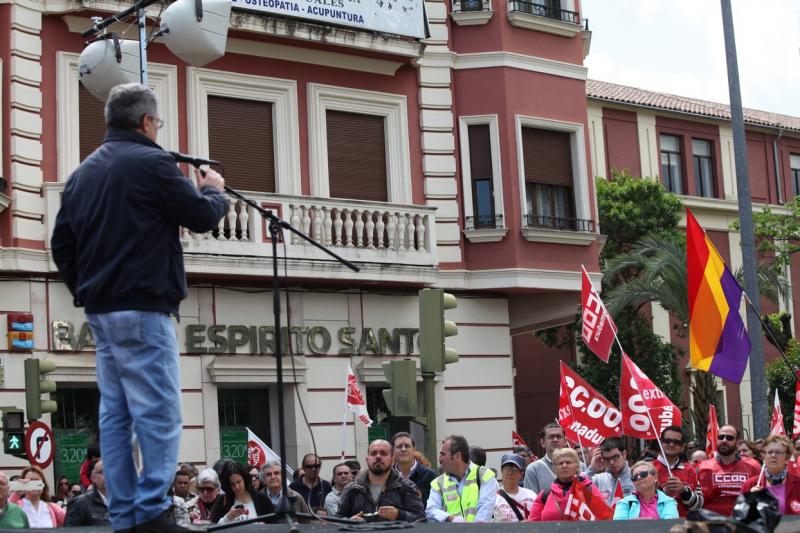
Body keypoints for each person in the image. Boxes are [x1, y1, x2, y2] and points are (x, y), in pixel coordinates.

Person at [51, 82, 227, 533]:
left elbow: (61, 245)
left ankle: (127, 514)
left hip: (102, 311)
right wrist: (214, 191)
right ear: (147, 122)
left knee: (116, 414)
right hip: (145, 306)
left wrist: (85, 292)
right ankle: (151, 512)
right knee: (160, 413)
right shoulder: (152, 162)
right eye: (158, 123)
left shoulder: (83, 174)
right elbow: (201, 217)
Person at [337, 439, 425, 522]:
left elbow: (421, 519)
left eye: (383, 453)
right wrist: (349, 521)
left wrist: (399, 515)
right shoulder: (352, 489)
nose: (378, 457)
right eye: (373, 453)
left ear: (392, 460)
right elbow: (337, 520)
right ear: (367, 459)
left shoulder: (406, 487)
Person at [426, 435, 498, 522]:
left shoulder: (484, 475)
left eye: (443, 454)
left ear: (457, 456)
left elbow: (485, 512)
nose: (439, 459)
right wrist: (452, 519)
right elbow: (430, 510)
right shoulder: (438, 483)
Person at [527, 447, 611, 522]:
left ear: (577, 466)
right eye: (560, 463)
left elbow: (604, 518)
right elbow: (532, 524)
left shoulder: (588, 488)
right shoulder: (545, 495)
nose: (564, 466)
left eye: (568, 462)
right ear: (555, 468)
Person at [698, 424, 761, 516]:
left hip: (743, 523)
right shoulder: (703, 467)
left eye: (729, 438)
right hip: (712, 523)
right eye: (721, 437)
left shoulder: (753, 466)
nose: (724, 440)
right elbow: (696, 500)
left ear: (737, 442)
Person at [652, 425, 703, 517]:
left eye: (676, 442)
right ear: (660, 443)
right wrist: (664, 494)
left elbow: (699, 506)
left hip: (684, 526)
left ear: (682, 447)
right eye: (667, 441)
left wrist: (684, 491)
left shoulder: (690, 470)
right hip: (656, 525)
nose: (671, 444)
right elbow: (640, 504)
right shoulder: (648, 468)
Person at [742, 435, 800, 514]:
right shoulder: (750, 484)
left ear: (787, 458)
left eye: (778, 452)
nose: (773, 455)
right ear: (764, 456)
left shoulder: (798, 484)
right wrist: (750, 500)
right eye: (769, 452)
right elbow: (741, 520)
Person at [524, 423, 585, 494]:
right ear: (542, 442)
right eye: (551, 437)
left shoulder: (580, 466)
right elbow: (531, 502)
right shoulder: (533, 469)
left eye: (558, 437)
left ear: (565, 441)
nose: (555, 440)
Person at [210, 462, 275, 524]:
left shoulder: (261, 498)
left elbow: (274, 524)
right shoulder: (223, 500)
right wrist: (228, 517)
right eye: (232, 484)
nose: (237, 487)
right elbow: (213, 527)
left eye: (239, 482)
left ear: (244, 479)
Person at [614, 461, 678, 520]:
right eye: (635, 476)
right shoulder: (624, 503)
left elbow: (669, 525)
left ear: (655, 478)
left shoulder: (668, 502)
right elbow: (619, 527)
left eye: (643, 474)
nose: (639, 478)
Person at [585, 437, 634, 506]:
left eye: (615, 457)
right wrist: (591, 469)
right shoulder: (599, 479)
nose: (611, 462)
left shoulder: (636, 476)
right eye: (607, 459)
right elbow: (580, 489)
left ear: (624, 454)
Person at [392, 432, 437, 503]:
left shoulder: (429, 475)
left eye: (407, 446)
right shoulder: (387, 476)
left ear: (414, 449)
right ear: (393, 451)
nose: (403, 449)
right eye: (399, 446)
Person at [65, 459, 110, 526]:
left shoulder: (123, 503)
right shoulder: (79, 504)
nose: (106, 475)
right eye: (101, 472)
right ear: (93, 477)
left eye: (110, 471)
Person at [493, 454, 536, 522]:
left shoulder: (531, 495)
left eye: (514, 469)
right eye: (506, 469)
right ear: (501, 471)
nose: (509, 472)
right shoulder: (493, 498)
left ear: (521, 474)